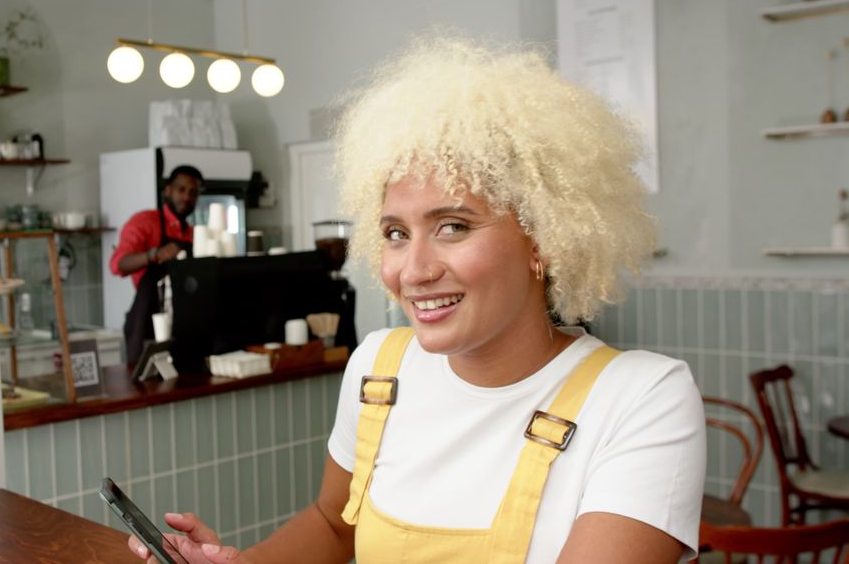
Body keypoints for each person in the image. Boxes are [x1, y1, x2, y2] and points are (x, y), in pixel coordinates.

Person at [127, 36, 705, 563]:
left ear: (544, 239)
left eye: (453, 226)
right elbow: (334, 525)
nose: (414, 270)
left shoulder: (639, 399)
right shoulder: (378, 369)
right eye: (396, 234)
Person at [110, 165, 201, 363]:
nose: (186, 197)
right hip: (147, 322)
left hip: (184, 322)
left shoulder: (193, 233)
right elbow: (118, 264)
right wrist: (154, 255)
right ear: (167, 190)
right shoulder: (145, 222)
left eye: (193, 192)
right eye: (181, 189)